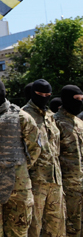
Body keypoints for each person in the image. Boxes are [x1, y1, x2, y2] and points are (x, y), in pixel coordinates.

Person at [0, 78, 41, 237]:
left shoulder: (21, 116)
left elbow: (35, 146)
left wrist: (21, 167)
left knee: (18, 231)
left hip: (18, 187)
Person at [22, 79, 65, 237]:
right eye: (40, 94)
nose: (44, 97)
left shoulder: (51, 117)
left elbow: (56, 148)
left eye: (48, 95)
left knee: (56, 226)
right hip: (35, 182)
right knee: (34, 227)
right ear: (33, 94)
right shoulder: (24, 115)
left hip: (55, 181)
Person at [53, 85, 83, 237]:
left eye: (81, 100)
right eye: (76, 99)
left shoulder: (79, 123)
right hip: (66, 186)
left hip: (80, 183)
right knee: (70, 227)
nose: (79, 103)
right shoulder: (55, 122)